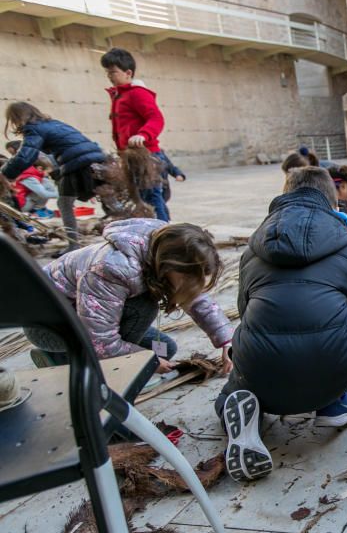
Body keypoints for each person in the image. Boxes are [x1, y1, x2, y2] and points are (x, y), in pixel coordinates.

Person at [215, 167, 347, 483]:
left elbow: (244, 312)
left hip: (261, 372)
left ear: (283, 196)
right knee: (325, 339)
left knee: (232, 389)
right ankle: (333, 403)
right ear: (333, 204)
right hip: (334, 368)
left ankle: (242, 406)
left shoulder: (252, 252)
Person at [25, 219, 234, 378]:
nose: (191, 286)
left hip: (84, 317)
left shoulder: (161, 244)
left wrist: (227, 341)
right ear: (170, 265)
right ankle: (66, 359)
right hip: (49, 327)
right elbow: (101, 341)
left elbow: (195, 297)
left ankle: (78, 359)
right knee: (144, 308)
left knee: (166, 349)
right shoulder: (112, 269)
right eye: (189, 278)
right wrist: (147, 361)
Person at [2, 102, 106, 255]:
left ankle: (73, 245)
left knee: (64, 203)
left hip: (78, 163)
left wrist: (4, 174)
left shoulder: (33, 129)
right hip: (97, 159)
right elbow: (53, 155)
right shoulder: (52, 123)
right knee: (107, 198)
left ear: (16, 117)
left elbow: (25, 156)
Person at [101, 47, 170, 221]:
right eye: (107, 72)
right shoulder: (119, 96)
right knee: (144, 197)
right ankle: (161, 231)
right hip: (130, 157)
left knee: (152, 197)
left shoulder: (137, 94)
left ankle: (163, 234)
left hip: (146, 155)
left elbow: (156, 118)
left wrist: (143, 134)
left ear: (128, 72)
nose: (110, 75)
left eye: (113, 72)